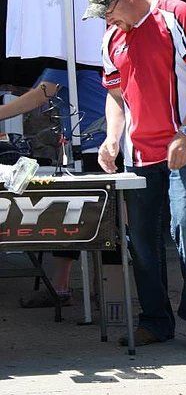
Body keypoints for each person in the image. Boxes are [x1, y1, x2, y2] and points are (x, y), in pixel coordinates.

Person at [83, 0, 186, 351]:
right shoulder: (112, 37)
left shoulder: (177, 14)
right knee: (142, 239)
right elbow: (115, 95)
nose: (105, 19)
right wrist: (112, 139)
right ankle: (155, 321)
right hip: (139, 151)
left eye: (106, 10)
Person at [0, 67, 107, 307]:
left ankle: (106, 293)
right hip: (88, 143)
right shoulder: (65, 60)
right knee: (73, 216)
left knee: (96, 221)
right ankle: (68, 288)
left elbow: (40, 95)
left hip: (95, 146)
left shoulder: (65, 58)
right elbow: (38, 91)